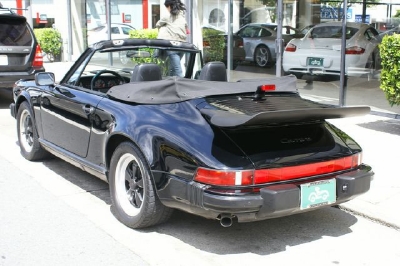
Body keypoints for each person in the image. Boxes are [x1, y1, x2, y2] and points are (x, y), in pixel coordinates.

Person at [156, 0, 188, 77]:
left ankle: (183, 86)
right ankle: (171, 84)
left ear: (169, 6)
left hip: (172, 46)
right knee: (172, 68)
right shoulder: (182, 16)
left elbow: (158, 24)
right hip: (182, 46)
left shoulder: (167, 17)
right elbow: (186, 27)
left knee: (177, 70)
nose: (167, 9)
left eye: (167, 7)